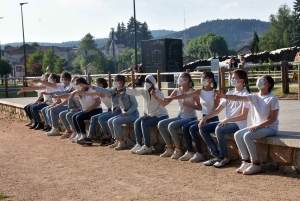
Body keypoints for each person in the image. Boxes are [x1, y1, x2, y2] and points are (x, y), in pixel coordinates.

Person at [216, 75, 279, 175]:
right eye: (259, 78)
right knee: (238, 135)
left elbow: (273, 119)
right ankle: (246, 161)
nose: (259, 80)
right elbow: (237, 98)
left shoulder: (272, 98)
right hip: (257, 126)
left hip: (270, 128)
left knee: (247, 136)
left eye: (263, 79)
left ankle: (255, 164)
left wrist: (258, 127)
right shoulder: (254, 96)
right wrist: (223, 96)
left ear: (268, 84)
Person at [198, 69, 250, 167]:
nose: (231, 79)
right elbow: (217, 110)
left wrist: (227, 120)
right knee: (202, 128)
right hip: (226, 122)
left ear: (241, 81)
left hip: (238, 124)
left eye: (234, 78)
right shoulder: (229, 93)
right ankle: (216, 156)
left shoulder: (246, 95)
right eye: (231, 77)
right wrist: (204, 118)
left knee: (219, 129)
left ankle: (224, 157)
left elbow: (243, 116)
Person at [71, 75, 139, 150]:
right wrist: (91, 86)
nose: (114, 82)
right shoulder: (114, 90)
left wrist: (127, 113)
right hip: (122, 112)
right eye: (114, 80)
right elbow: (103, 90)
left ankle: (122, 142)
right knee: (110, 121)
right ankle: (116, 140)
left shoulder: (128, 91)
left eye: (116, 80)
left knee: (115, 121)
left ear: (121, 82)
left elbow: (135, 105)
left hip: (133, 114)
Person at [165, 71, 219, 162]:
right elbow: (186, 95)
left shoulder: (215, 92)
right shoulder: (200, 91)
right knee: (186, 127)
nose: (203, 80)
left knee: (193, 128)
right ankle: (190, 152)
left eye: (205, 78)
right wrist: (171, 98)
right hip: (204, 118)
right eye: (202, 78)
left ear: (211, 80)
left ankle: (201, 153)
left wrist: (205, 119)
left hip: (212, 119)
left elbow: (217, 110)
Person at [151, 72, 200, 159]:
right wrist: (155, 97)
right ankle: (170, 148)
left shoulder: (192, 91)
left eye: (181, 77)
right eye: (179, 77)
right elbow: (164, 103)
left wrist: (189, 105)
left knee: (171, 126)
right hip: (180, 116)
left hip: (190, 118)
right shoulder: (177, 91)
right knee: (161, 124)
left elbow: (200, 107)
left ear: (187, 79)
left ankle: (178, 150)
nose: (179, 79)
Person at [120, 75, 169, 155]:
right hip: (149, 115)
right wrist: (126, 89)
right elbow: (135, 92)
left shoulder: (159, 93)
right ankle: (139, 144)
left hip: (160, 116)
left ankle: (147, 146)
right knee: (137, 122)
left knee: (144, 123)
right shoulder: (144, 90)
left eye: (147, 82)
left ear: (152, 83)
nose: (145, 83)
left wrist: (150, 115)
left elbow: (161, 109)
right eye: (145, 81)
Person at [76, 78, 113, 146]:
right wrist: (75, 92)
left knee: (101, 118)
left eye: (96, 83)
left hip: (114, 111)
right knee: (93, 118)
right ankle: (89, 139)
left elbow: (117, 102)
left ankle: (107, 137)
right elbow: (87, 94)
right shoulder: (98, 93)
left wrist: (89, 86)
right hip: (109, 110)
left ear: (101, 85)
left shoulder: (108, 91)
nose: (94, 85)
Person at [37, 72, 72, 136]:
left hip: (69, 106)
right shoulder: (61, 85)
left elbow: (66, 99)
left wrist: (56, 105)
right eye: (61, 78)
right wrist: (39, 81)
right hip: (64, 105)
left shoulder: (70, 87)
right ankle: (53, 127)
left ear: (67, 79)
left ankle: (56, 129)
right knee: (50, 109)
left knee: (53, 110)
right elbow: (49, 84)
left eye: (62, 78)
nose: (61, 79)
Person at [69, 77, 102, 143]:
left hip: (96, 109)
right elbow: (70, 95)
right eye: (76, 84)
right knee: (74, 117)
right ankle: (79, 134)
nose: (76, 86)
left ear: (83, 84)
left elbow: (98, 102)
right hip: (87, 110)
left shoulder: (91, 90)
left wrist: (89, 109)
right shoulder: (79, 91)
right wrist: (75, 91)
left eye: (78, 84)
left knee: (79, 117)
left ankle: (83, 135)